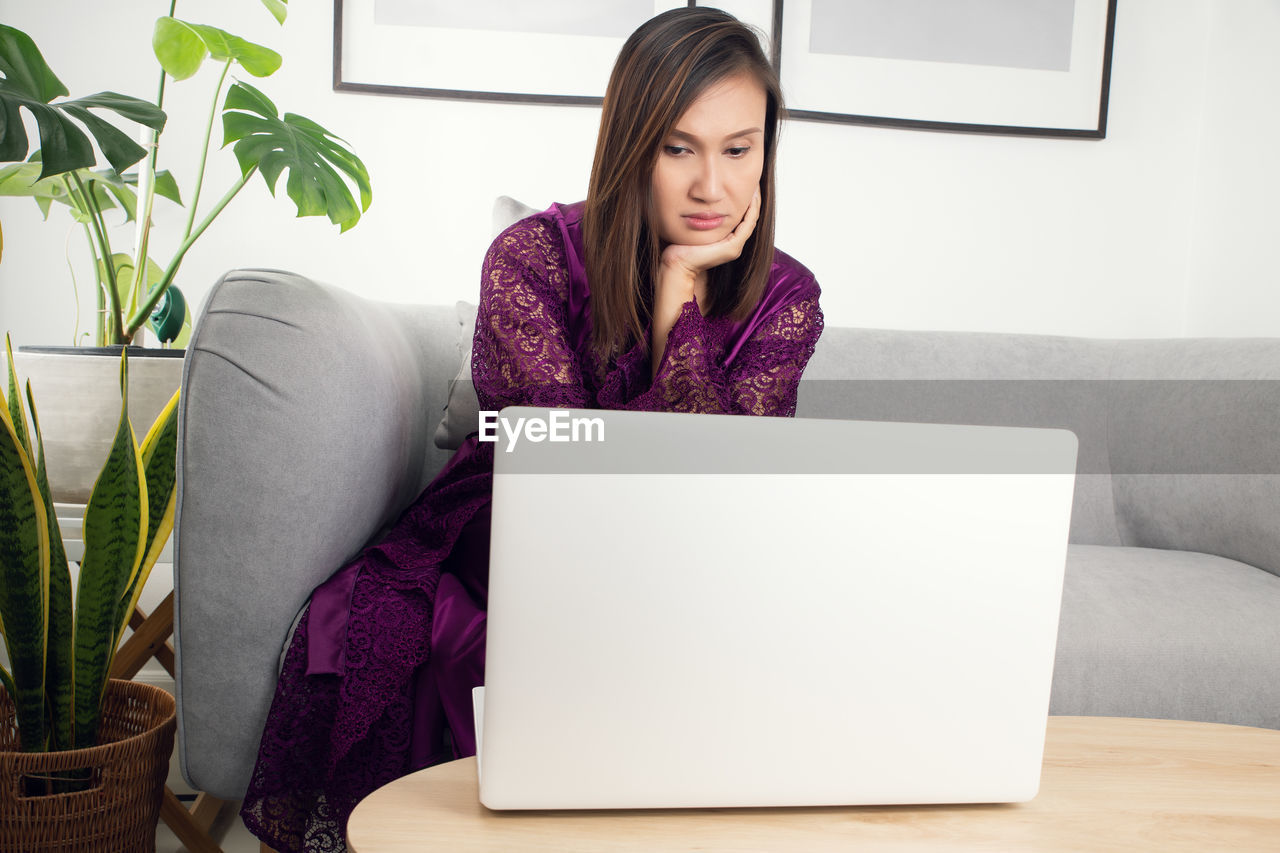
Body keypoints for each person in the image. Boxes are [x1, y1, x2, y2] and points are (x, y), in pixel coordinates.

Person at [240, 7, 824, 850]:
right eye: (678, 148)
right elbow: (566, 480)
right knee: (438, 630)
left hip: (691, 565)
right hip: (514, 534)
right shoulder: (532, 257)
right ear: (632, 144)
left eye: (739, 149)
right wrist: (668, 309)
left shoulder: (787, 296)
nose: (712, 186)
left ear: (768, 151)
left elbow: (722, 491)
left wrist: (679, 311)